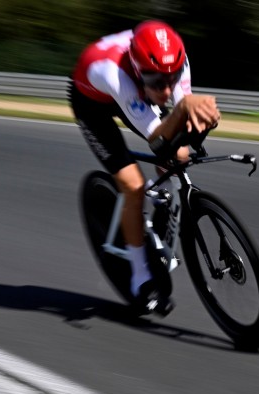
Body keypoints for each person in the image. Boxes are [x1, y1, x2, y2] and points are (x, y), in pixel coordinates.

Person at [69, 20, 221, 313]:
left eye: (171, 80)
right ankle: (141, 276)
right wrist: (183, 110)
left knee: (179, 156)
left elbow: (181, 117)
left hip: (135, 92)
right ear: (140, 72)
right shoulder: (114, 74)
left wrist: (201, 117)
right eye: (157, 84)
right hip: (92, 104)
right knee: (133, 185)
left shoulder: (175, 63)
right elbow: (157, 138)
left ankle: (162, 200)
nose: (166, 91)